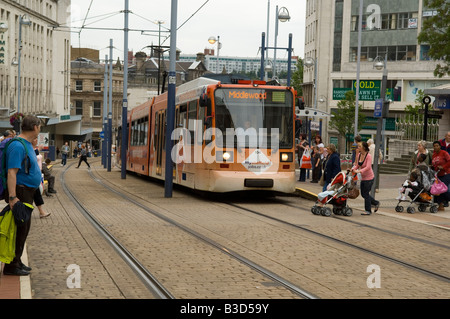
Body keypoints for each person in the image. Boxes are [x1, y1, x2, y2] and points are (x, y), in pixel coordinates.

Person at [3, 115, 42, 276]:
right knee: (19, 229)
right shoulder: (18, 146)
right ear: (34, 127)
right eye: (39, 126)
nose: (40, 129)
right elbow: (12, 172)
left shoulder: (26, 145)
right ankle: (11, 265)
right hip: (20, 192)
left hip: (27, 192)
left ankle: (17, 260)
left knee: (24, 229)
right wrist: (12, 197)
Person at [352, 141, 380, 215]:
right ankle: (376, 203)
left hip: (369, 178)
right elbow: (357, 165)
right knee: (363, 194)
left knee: (366, 194)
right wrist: (353, 169)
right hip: (363, 178)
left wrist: (359, 171)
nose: (358, 148)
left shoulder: (368, 156)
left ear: (363, 148)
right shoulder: (359, 155)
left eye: (359, 146)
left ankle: (368, 210)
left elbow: (368, 167)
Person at [32, 139, 51, 218]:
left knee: (37, 193)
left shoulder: (34, 149)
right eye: (35, 138)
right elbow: (32, 157)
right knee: (36, 193)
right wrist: (38, 149)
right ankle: (41, 212)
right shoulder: (29, 148)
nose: (36, 140)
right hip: (32, 175)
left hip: (38, 174)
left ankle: (41, 212)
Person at [431, 140, 450, 211]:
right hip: (437, 175)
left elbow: (449, 161)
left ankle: (444, 202)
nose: (436, 147)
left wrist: (443, 167)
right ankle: (440, 204)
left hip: (446, 174)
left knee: (443, 189)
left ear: (440, 146)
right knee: (437, 190)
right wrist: (433, 167)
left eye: (437, 146)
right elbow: (434, 164)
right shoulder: (434, 155)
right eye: (434, 146)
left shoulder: (444, 153)